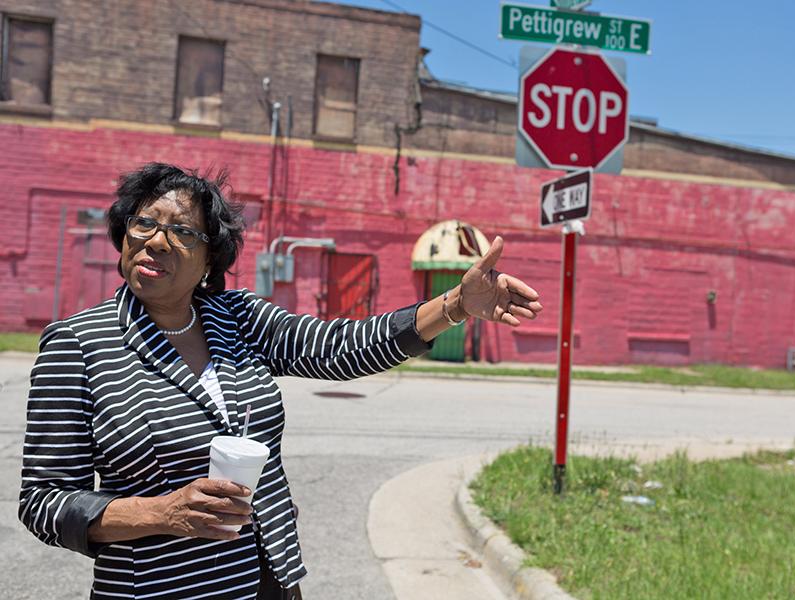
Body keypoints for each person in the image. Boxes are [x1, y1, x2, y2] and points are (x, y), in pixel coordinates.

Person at [18, 163, 543, 599]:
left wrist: (454, 305)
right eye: (143, 225)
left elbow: (344, 347)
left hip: (269, 582)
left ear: (209, 259)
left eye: (181, 231)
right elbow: (43, 501)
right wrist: (163, 512)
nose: (156, 241)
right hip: (161, 590)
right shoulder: (80, 343)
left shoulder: (236, 318)